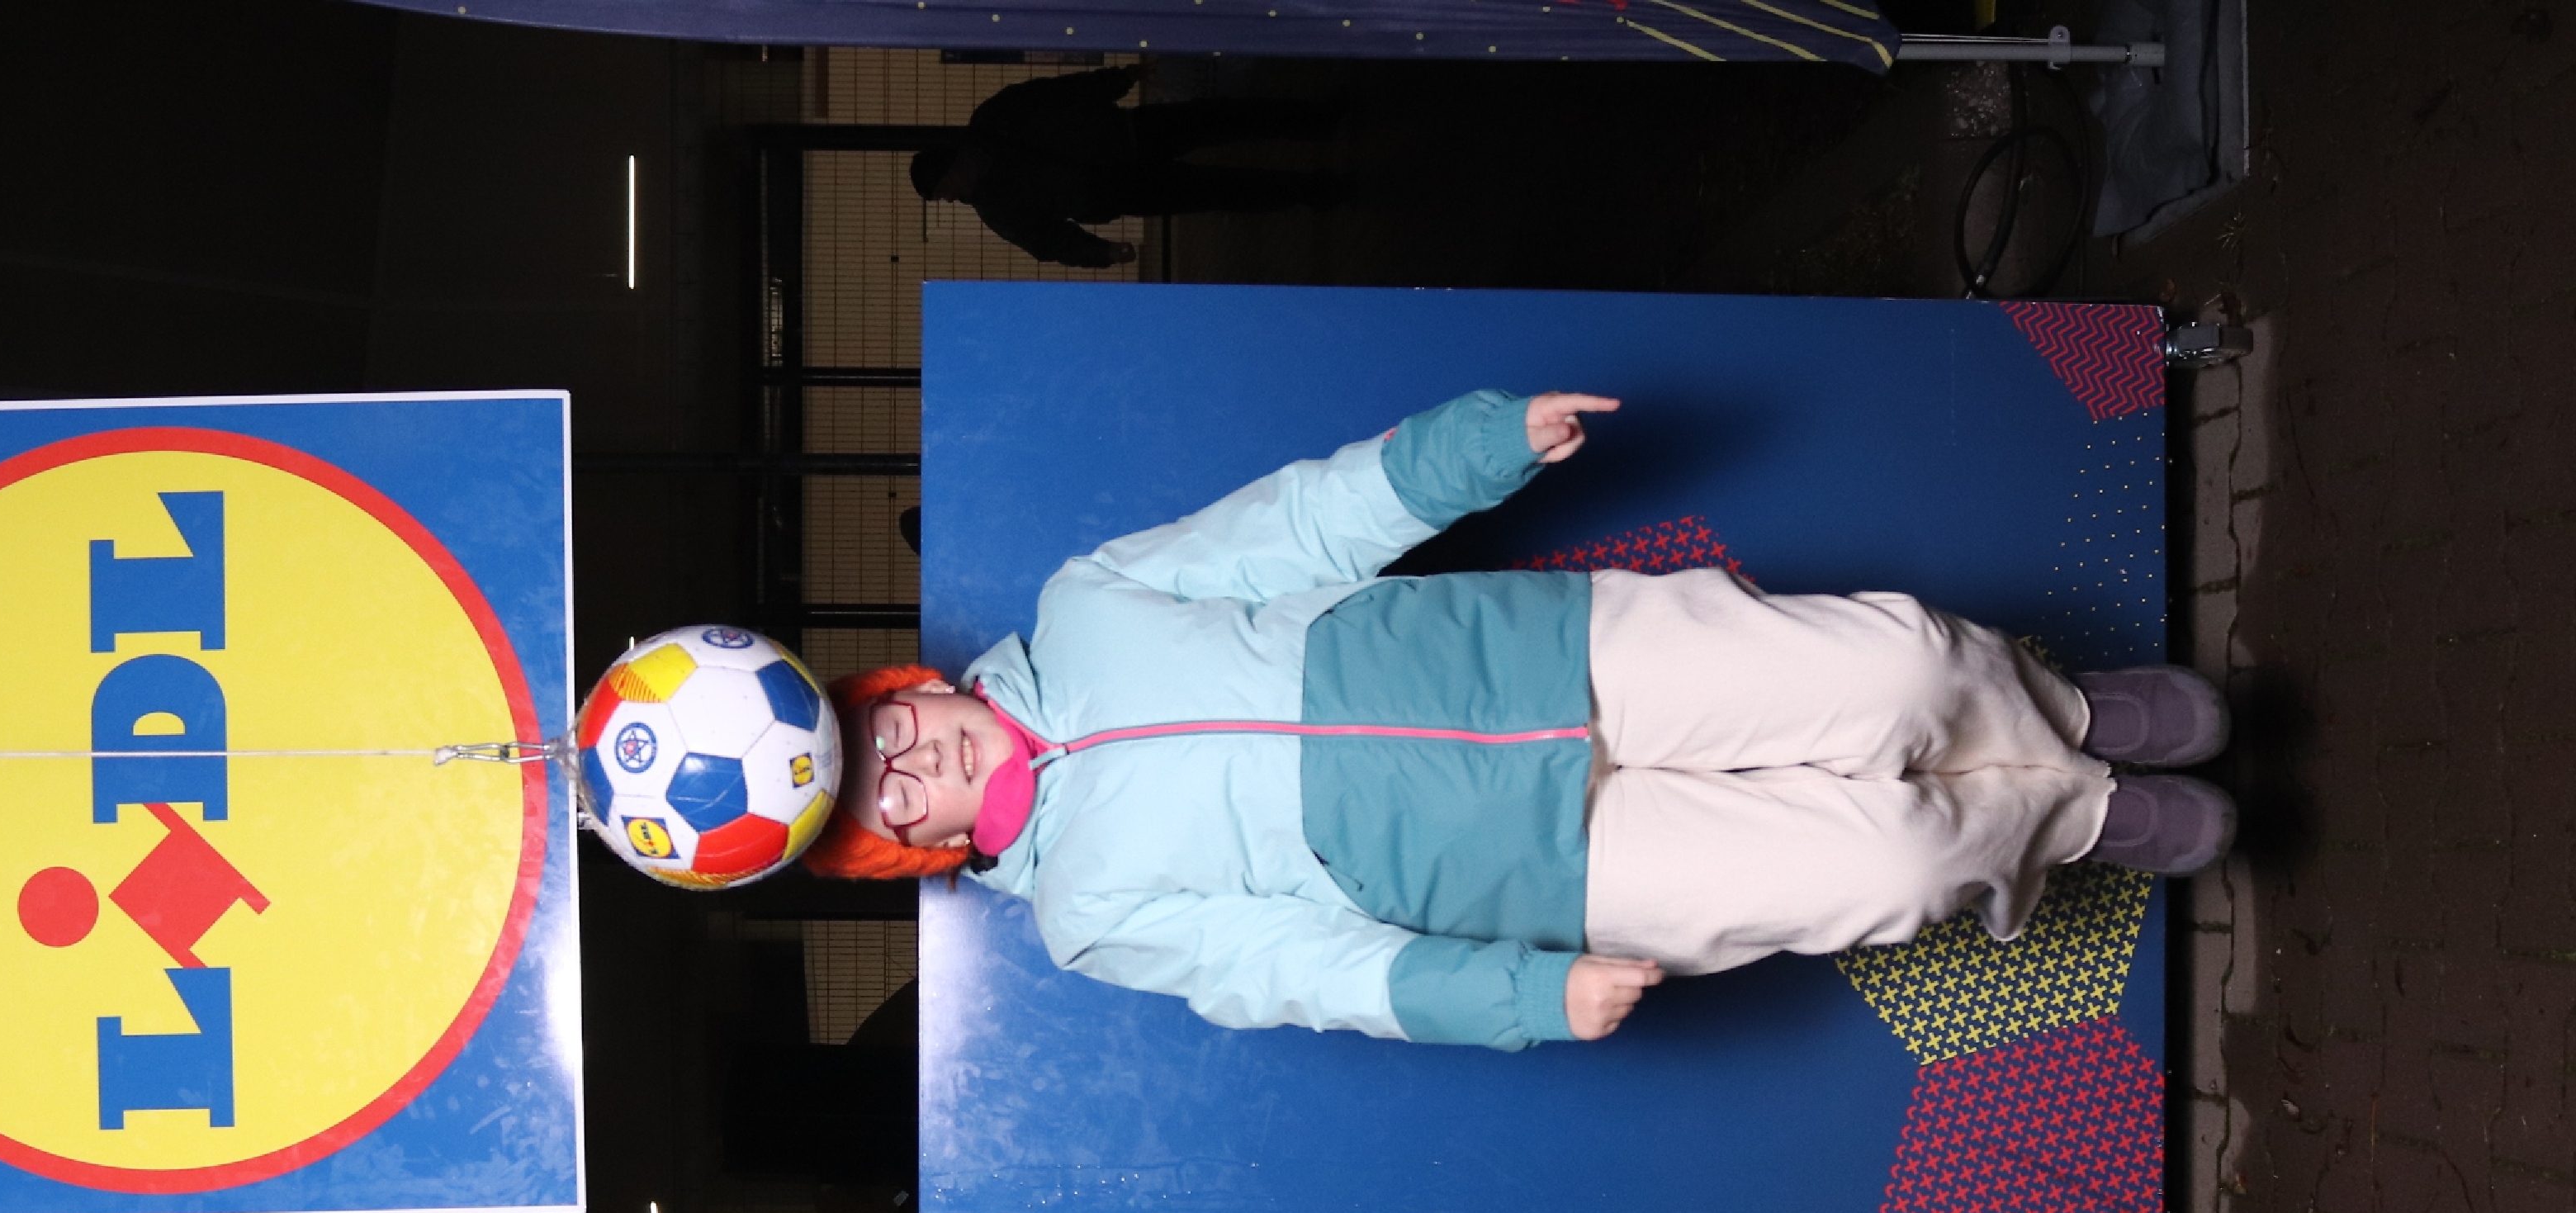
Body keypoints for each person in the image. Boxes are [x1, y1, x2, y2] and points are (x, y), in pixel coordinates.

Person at [803, 388, 2233, 1051]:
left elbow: (1292, 528)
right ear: (913, 847)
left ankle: (2069, 711)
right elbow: (1290, 970)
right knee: (1891, 868)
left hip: (1549, 655)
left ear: (908, 690)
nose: (913, 762)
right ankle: (2084, 815)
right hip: (1543, 876)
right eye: (889, 796)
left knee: (1902, 669)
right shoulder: (1086, 914)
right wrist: (1514, 1000)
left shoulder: (1087, 607)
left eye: (889, 733)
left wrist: (1465, 452)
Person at [910, 69, 1338, 270]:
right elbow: (1048, 240)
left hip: (1122, 158)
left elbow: (1056, 93)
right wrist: (1101, 253)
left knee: (1222, 148)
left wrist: (1113, 82)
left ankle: (1315, 159)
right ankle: (1314, 165)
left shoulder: (996, 192)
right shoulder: (993, 131)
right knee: (1220, 167)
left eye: (942, 189)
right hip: (1123, 156)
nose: (948, 197)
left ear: (950, 167)